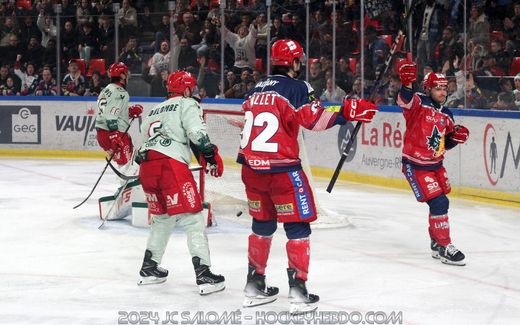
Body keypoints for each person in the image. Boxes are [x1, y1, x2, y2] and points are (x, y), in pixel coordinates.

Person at [238, 39, 378, 314]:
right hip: (282, 171)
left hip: (250, 169)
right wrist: (345, 113)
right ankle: (298, 293)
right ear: (293, 62)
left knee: (262, 223)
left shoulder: (256, 88)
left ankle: (254, 287)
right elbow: (313, 120)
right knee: (297, 226)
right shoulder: (297, 87)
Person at [136, 70, 225, 295]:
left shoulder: (154, 109)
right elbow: (197, 132)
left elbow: (143, 140)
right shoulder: (188, 104)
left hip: (147, 167)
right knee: (193, 218)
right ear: (185, 89)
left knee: (162, 218)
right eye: (191, 88)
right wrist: (210, 156)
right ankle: (204, 274)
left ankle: (149, 267)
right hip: (170, 165)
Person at [397, 61, 469, 266]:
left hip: (436, 165)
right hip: (415, 164)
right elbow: (404, 101)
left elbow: (442, 145)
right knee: (439, 203)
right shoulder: (418, 102)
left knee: (440, 202)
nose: (442, 92)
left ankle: (436, 243)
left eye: (445, 88)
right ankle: (445, 246)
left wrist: (454, 140)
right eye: (438, 88)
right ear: (428, 89)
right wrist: (406, 84)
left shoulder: (447, 114)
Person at [94, 62, 143, 166]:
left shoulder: (107, 89)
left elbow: (110, 111)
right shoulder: (120, 92)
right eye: (126, 73)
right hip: (114, 133)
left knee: (127, 163)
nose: (128, 76)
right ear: (122, 75)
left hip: (102, 134)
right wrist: (114, 134)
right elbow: (111, 116)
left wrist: (129, 112)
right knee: (128, 165)